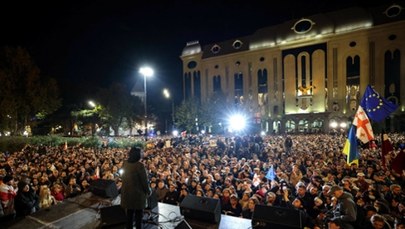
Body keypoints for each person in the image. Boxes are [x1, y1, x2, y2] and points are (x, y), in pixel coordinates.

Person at [120, 147, 151, 229]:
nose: (142, 153)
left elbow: (122, 176)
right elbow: (144, 182)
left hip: (127, 193)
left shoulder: (125, 163)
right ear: (138, 154)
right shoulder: (140, 166)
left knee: (129, 215)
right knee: (138, 216)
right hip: (138, 195)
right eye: (141, 152)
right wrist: (148, 191)